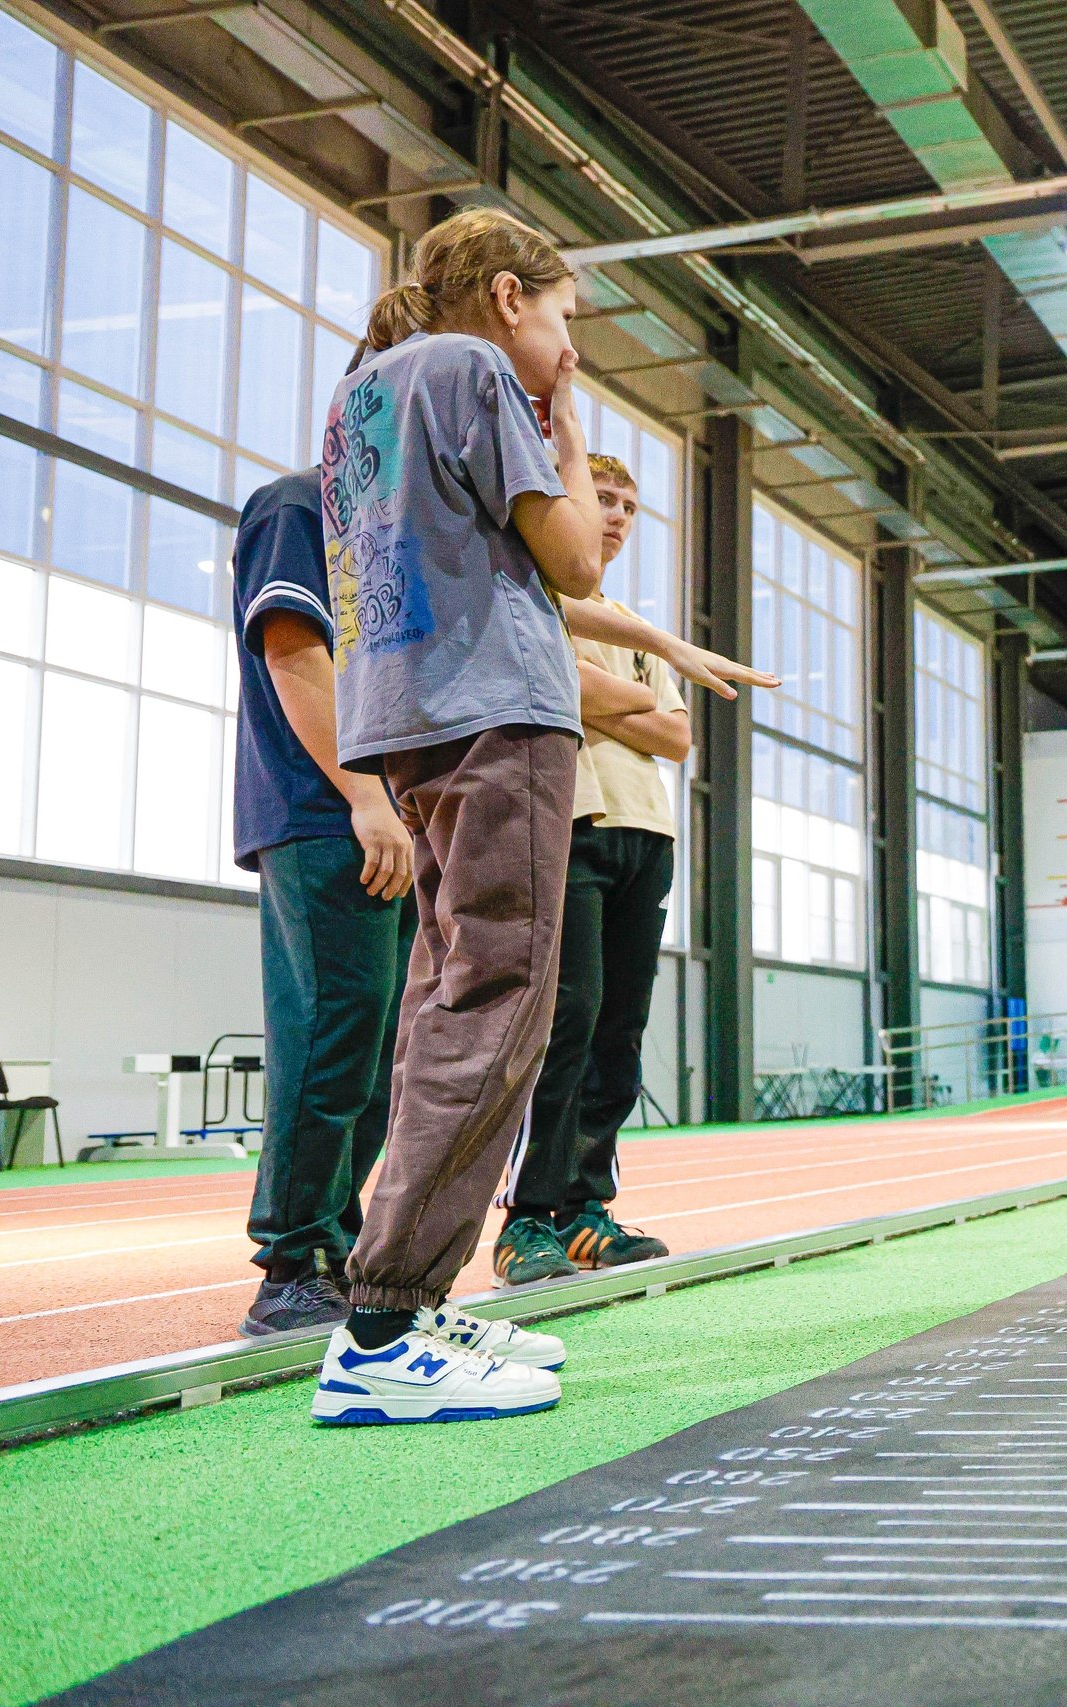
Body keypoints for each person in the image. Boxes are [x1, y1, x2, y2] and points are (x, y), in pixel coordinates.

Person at [309, 211, 772, 1422]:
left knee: (446, 998)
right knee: (501, 1004)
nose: (571, 346)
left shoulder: (364, 394)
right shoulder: (475, 368)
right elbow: (572, 560)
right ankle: (384, 1323)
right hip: (494, 716)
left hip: (407, 716)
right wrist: (564, 424)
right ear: (510, 296)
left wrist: (659, 640)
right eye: (565, 318)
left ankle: (401, 1296)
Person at [229, 467, 417, 1335]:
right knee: (330, 1034)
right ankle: (291, 1259)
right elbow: (292, 651)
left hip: (384, 818)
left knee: (377, 1052)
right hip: (324, 812)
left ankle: (332, 1241)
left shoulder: (392, 535)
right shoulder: (300, 506)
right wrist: (367, 796)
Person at [493, 454, 683, 1286]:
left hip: (649, 830)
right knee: (566, 1018)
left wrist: (609, 698)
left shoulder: (634, 624)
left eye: (628, 506)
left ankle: (583, 1208)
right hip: (572, 819)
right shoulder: (537, 596)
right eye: (600, 498)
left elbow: (678, 735)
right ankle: (525, 1216)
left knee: (620, 1032)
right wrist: (629, 701)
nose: (615, 516)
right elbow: (560, 689)